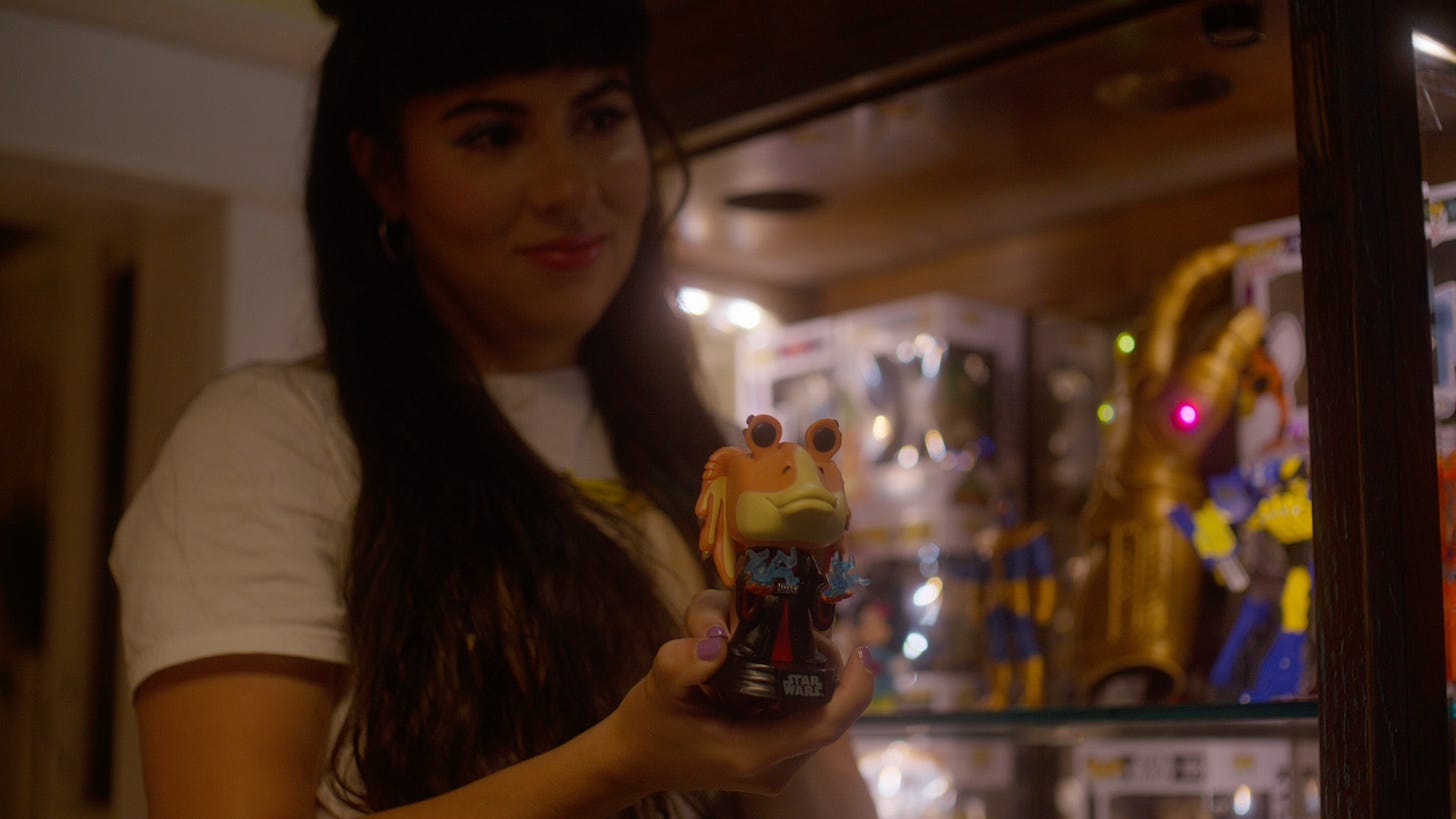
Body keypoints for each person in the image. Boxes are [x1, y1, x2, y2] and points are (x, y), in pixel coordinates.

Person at [108, 1, 879, 817]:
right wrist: (620, 759)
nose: (568, 187)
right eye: (492, 135)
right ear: (384, 174)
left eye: (600, 118)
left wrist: (785, 718)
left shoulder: (718, 458)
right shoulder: (267, 440)